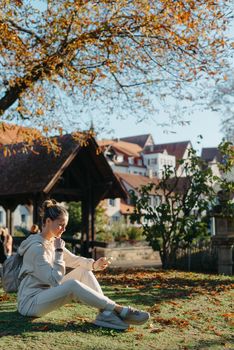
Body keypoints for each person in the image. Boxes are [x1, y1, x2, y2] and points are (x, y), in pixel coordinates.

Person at [17, 199, 150, 330]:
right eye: (61, 225)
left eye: (65, 226)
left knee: (83, 271)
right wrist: (58, 252)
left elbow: (75, 260)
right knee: (72, 285)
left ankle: (105, 314)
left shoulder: (52, 242)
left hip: (45, 293)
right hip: (30, 303)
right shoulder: (36, 248)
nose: (63, 229)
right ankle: (118, 309)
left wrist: (94, 264)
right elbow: (54, 279)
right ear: (47, 221)